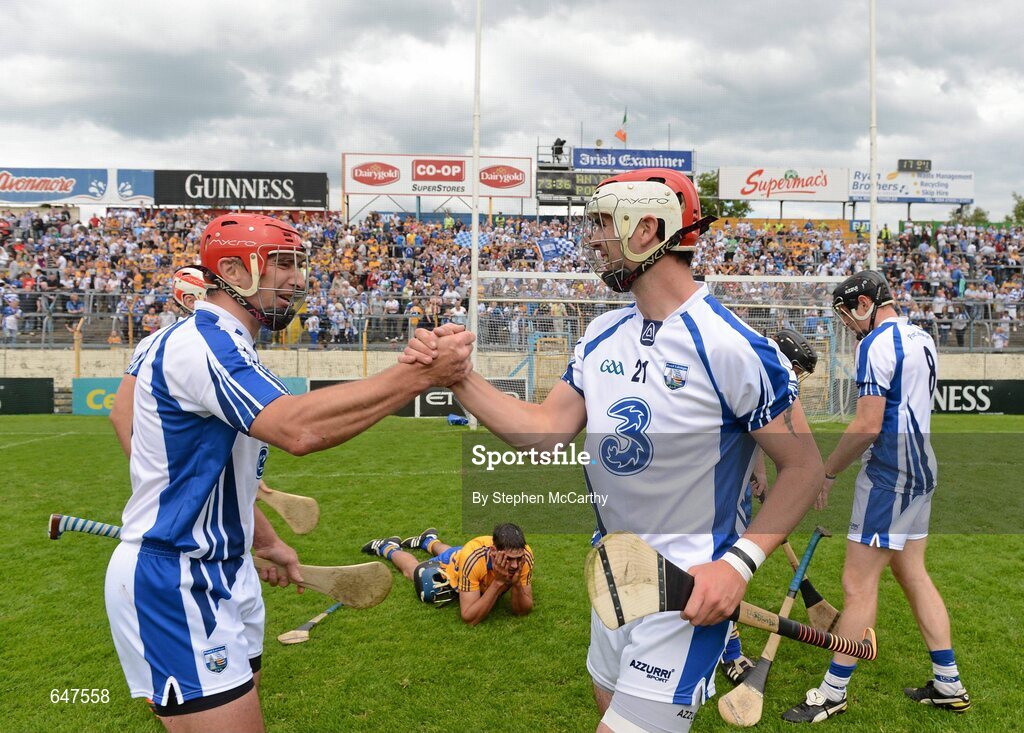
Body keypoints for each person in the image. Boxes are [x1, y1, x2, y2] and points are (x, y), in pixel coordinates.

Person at [401, 169, 824, 733]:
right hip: (616, 572)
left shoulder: (733, 346)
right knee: (609, 703)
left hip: (689, 591)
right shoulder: (601, 334)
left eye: (603, 223)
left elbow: (803, 467)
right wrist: (459, 378)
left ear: (647, 228)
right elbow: (545, 431)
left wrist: (738, 567)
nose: (594, 238)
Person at [104, 213, 473, 733]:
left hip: (225, 569)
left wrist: (266, 539)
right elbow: (297, 430)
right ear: (231, 268)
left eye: (298, 266)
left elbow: (219, 475)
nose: (298, 280)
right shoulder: (202, 342)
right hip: (179, 579)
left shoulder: (232, 343)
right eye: (280, 265)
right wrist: (418, 376)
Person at [782, 271, 970, 724]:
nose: (847, 324)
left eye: (848, 312)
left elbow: (867, 425)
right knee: (913, 574)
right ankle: (949, 684)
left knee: (857, 585)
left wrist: (826, 473)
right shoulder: (922, 336)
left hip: (891, 474)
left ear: (865, 302)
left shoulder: (875, 345)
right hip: (923, 468)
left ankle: (832, 692)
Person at [720, 327, 819, 685]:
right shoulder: (749, 370)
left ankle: (721, 643)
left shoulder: (759, 378)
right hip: (720, 492)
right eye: (797, 368)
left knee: (726, 564)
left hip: (735, 486)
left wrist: (758, 471)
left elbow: (756, 430)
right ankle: (729, 654)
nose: (797, 377)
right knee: (724, 565)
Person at [360, 523, 534, 626]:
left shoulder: (524, 556)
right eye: (509, 559)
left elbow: (523, 611)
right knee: (418, 574)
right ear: (494, 551)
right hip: (455, 564)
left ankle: (428, 540)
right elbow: (469, 617)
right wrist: (498, 583)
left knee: (453, 552)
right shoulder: (472, 559)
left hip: (460, 554)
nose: (514, 565)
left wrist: (516, 583)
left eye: (518, 559)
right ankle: (388, 547)